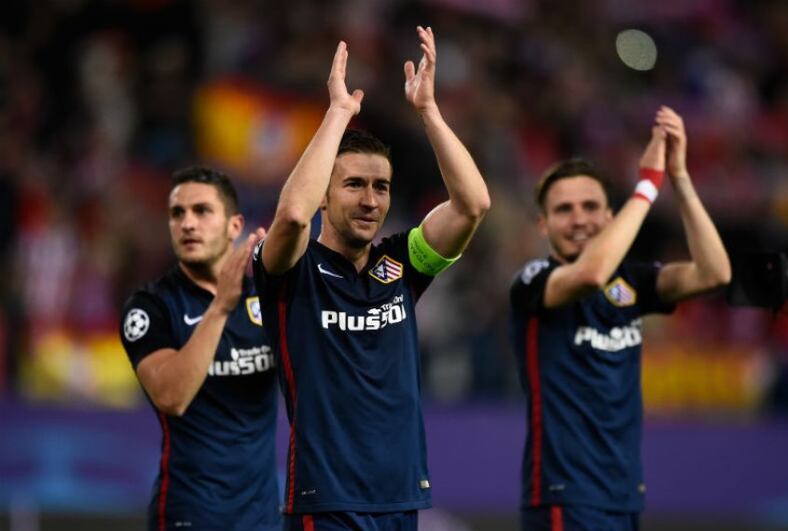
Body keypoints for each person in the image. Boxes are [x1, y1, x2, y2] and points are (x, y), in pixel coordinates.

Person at [252, 26, 490, 530]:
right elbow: (292, 215)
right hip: (326, 503)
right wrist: (338, 113)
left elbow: (472, 205)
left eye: (381, 187)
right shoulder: (291, 270)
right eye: (354, 184)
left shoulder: (402, 264)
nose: (370, 200)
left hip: (400, 498)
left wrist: (429, 111)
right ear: (323, 195)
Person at [510, 107, 731, 530]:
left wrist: (679, 178)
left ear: (611, 218)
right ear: (543, 224)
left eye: (591, 207)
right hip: (563, 494)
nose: (579, 219)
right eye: (564, 209)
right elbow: (590, 274)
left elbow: (715, 273)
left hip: (624, 494)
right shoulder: (533, 281)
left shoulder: (633, 282)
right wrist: (647, 185)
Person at [119, 167, 281, 531]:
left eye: (202, 211)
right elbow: (171, 396)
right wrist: (220, 307)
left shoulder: (266, 302)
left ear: (235, 226)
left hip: (262, 518)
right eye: (177, 213)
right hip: (190, 513)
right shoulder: (150, 307)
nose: (187, 223)